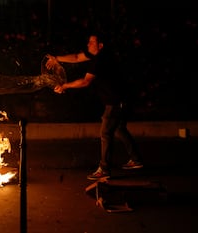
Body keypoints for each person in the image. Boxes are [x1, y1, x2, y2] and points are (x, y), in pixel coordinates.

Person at [45, 33, 143, 180]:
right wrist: (56, 58)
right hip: (121, 100)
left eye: (92, 42)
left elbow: (85, 82)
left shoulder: (101, 60)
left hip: (116, 102)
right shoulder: (97, 55)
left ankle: (104, 169)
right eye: (88, 42)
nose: (88, 45)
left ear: (100, 45)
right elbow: (77, 57)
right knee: (118, 128)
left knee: (105, 132)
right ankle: (136, 160)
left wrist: (64, 85)